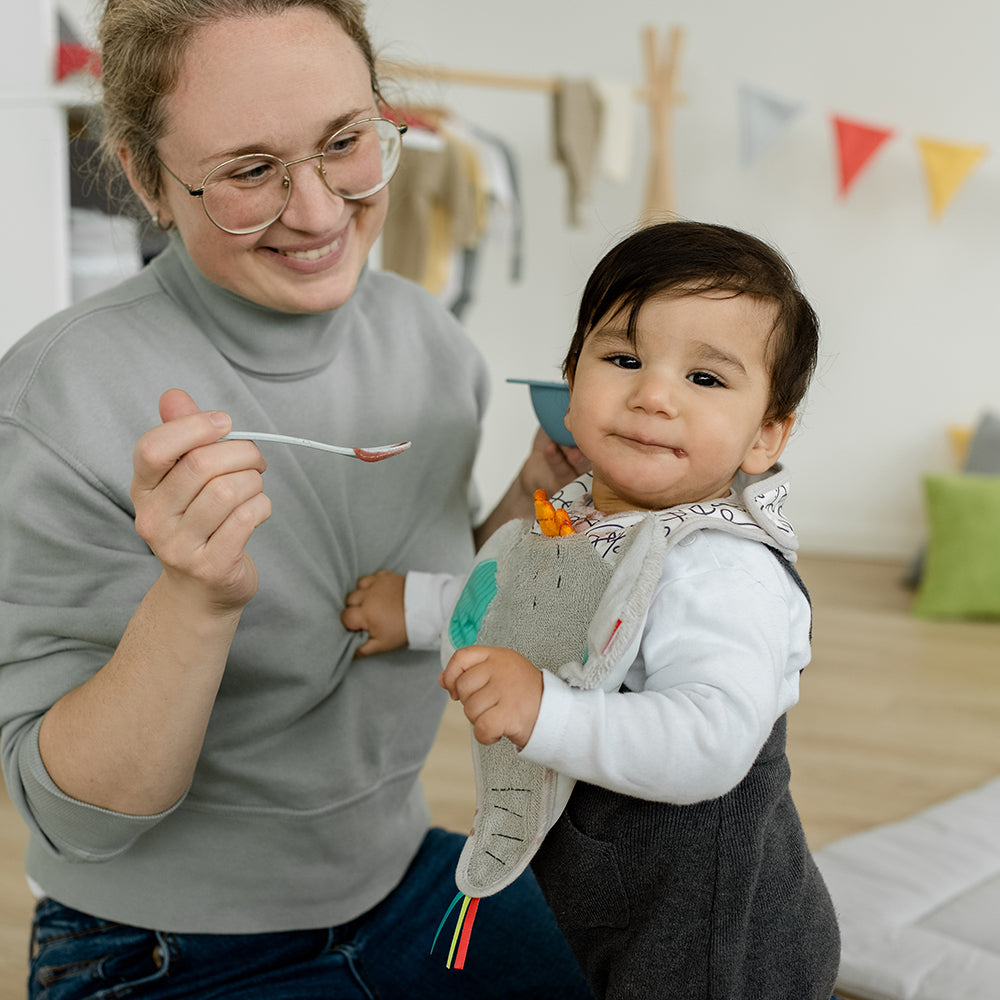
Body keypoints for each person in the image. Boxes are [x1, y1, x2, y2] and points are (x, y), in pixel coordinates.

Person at [0, 1, 595, 997]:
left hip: (404, 879)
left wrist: (530, 503)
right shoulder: (53, 400)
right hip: (162, 944)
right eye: (248, 171)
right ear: (148, 178)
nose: (318, 212)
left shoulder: (432, 345)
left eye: (343, 144)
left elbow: (443, 600)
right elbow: (79, 819)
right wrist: (193, 598)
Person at [343, 221, 841, 999]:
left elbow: (712, 739)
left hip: (705, 931)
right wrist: (414, 606)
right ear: (570, 389)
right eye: (623, 359)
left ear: (766, 435)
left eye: (705, 380)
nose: (652, 395)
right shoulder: (577, 515)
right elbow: (525, 598)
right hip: (605, 886)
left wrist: (548, 712)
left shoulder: (720, 568)